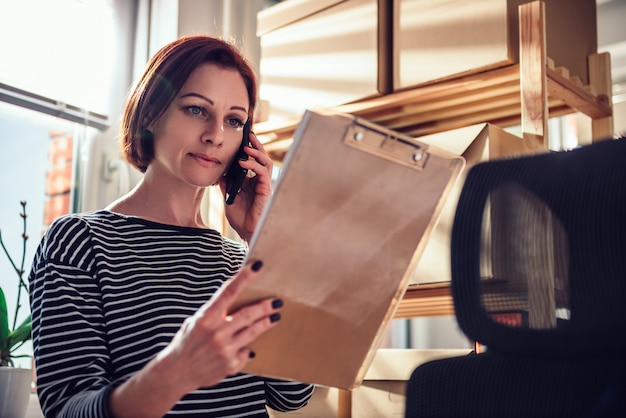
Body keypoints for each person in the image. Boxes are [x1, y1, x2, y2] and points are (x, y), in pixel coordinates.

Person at [29, 35, 314, 417]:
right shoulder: (78, 242)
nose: (215, 135)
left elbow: (292, 396)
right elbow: (67, 410)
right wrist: (177, 371)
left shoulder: (241, 260)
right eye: (197, 110)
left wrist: (262, 240)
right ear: (151, 114)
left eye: (234, 121)